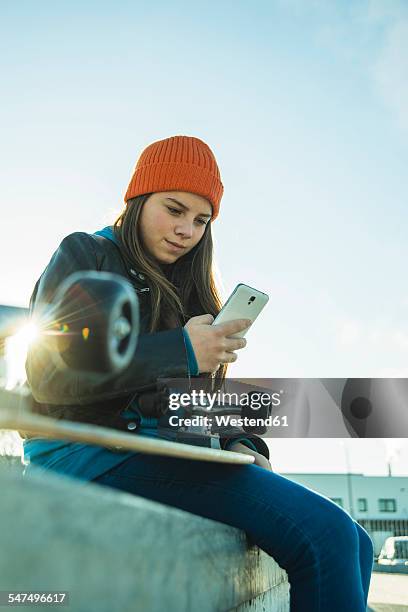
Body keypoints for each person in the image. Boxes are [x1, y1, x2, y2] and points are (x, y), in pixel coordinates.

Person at [24, 135, 373, 611]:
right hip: (89, 452)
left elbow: (190, 404)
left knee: (357, 541)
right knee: (326, 536)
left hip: (165, 449)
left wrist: (243, 442)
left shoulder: (188, 286)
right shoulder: (88, 254)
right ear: (138, 198)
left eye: (200, 219)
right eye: (174, 208)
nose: (186, 229)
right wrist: (182, 350)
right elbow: (51, 376)